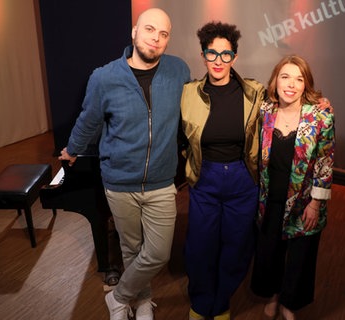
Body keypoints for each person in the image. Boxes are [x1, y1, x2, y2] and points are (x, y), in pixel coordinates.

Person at [58, 8, 190, 320]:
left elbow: (199, 104)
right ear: (134, 32)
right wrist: (73, 149)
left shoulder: (179, 71)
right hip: (119, 182)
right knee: (131, 250)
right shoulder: (104, 77)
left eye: (163, 34)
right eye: (149, 30)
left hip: (160, 181)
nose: (155, 39)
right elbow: (88, 120)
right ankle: (141, 302)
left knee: (157, 253)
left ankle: (118, 297)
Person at [179, 21, 265, 320]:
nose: (218, 61)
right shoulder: (188, 93)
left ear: (235, 57)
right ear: (203, 56)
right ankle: (202, 303)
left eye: (225, 54)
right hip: (205, 178)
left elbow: (289, 106)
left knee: (237, 244)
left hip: (243, 179)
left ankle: (221, 302)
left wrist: (317, 103)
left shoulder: (255, 92)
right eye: (212, 54)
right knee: (200, 245)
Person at [250, 55, 335, 320]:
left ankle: (289, 303)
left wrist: (315, 203)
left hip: (304, 201)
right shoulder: (264, 111)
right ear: (275, 81)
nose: (291, 84)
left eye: (299, 79)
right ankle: (275, 296)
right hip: (270, 197)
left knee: (300, 257)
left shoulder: (321, 116)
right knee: (272, 252)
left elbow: (325, 161)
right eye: (285, 76)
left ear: (306, 84)